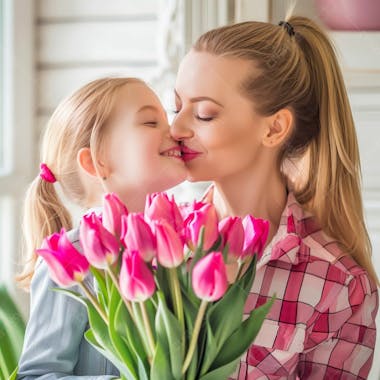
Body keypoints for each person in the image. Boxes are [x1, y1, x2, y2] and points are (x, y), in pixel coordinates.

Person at [171, 16, 379, 379]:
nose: (176, 128)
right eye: (177, 107)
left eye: (204, 114)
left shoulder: (338, 284)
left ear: (274, 128)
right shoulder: (160, 240)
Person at [17, 77, 186, 378]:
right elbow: (36, 374)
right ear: (97, 163)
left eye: (166, 118)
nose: (173, 130)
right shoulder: (72, 259)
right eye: (150, 122)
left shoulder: (175, 244)